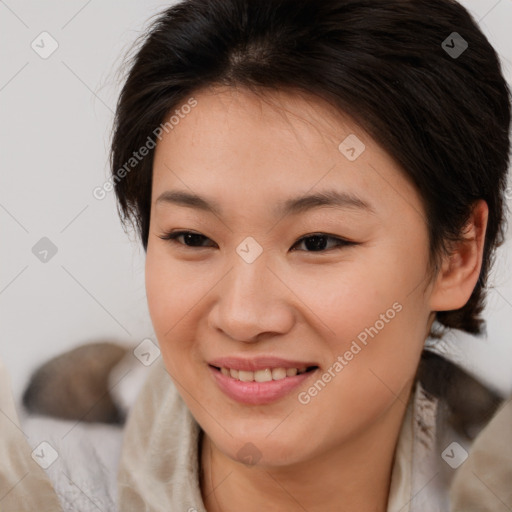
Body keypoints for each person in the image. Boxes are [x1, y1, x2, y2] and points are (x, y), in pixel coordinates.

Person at [4, 0, 511, 511]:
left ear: (457, 257)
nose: (243, 317)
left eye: (317, 242)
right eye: (193, 238)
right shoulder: (39, 473)